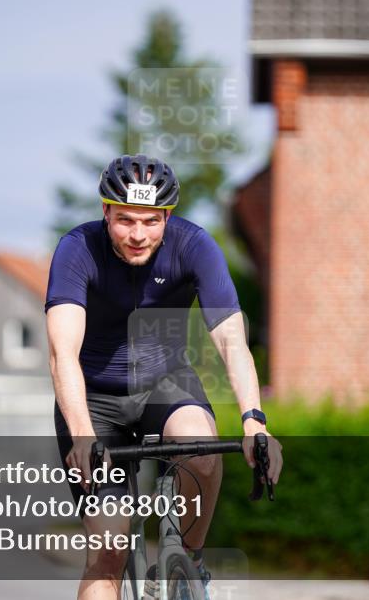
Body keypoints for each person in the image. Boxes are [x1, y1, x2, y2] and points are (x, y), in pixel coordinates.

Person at [46, 154, 283, 600]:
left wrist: (255, 421)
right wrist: (81, 433)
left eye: (151, 222)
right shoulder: (77, 250)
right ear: (105, 213)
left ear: (167, 217)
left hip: (165, 381)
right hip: (94, 397)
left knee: (203, 454)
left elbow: (233, 341)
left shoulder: (194, 246)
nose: (138, 235)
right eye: (125, 221)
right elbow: (63, 353)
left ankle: (187, 561)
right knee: (109, 551)